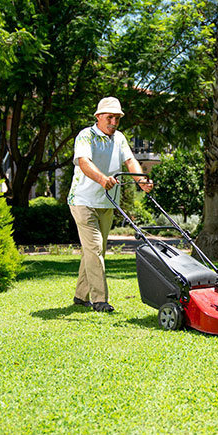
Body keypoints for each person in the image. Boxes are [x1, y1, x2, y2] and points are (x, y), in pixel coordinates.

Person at [68, 96, 152, 312]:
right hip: (82, 201)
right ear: (98, 117)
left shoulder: (120, 138)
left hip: (107, 202)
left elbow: (130, 161)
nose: (114, 122)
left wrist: (141, 180)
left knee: (95, 250)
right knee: (95, 248)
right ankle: (99, 300)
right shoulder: (85, 136)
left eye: (117, 118)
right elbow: (84, 162)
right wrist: (102, 179)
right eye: (109, 117)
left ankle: (80, 296)